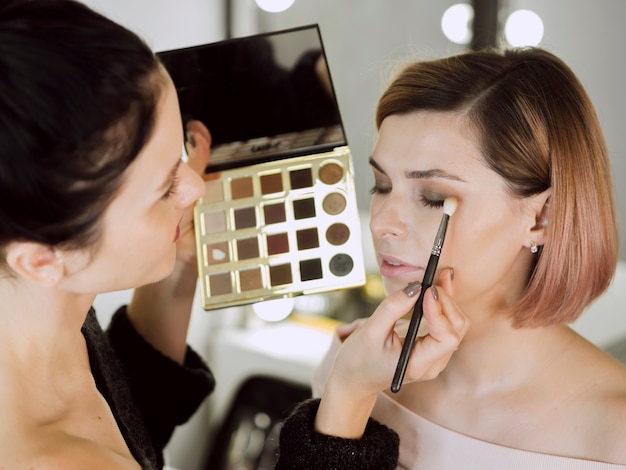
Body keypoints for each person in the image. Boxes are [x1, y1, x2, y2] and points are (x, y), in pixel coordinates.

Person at [1, 1, 464, 469]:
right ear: (41, 259)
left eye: (182, 150)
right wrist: (348, 392)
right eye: (165, 189)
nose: (196, 185)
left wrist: (180, 269)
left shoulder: (41, 317)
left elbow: (128, 422)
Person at [277, 46, 626, 469]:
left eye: (433, 197)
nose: (383, 223)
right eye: (381, 185)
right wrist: (349, 394)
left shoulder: (614, 433)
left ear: (542, 217)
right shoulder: (355, 363)